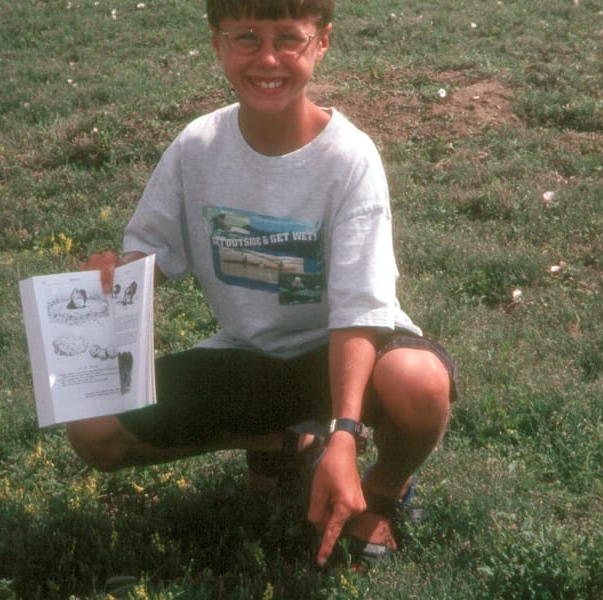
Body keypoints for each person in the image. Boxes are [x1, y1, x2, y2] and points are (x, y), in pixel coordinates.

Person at [66, 0, 457, 567]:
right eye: (246, 37)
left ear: (321, 41)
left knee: (417, 381)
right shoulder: (197, 147)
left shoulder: (349, 158)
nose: (267, 58)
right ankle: (281, 440)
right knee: (93, 427)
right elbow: (148, 257)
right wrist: (112, 276)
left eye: (288, 38)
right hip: (252, 357)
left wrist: (346, 432)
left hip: (347, 356)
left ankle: (383, 491)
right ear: (217, 43)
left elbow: (357, 309)